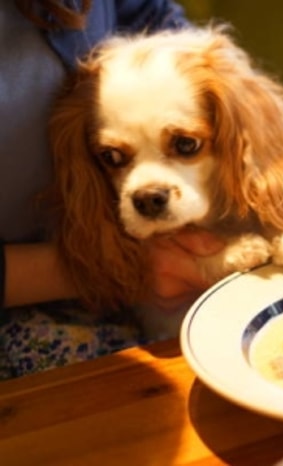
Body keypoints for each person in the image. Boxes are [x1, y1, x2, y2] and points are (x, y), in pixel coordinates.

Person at [0, 0, 225, 379]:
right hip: (45, 292)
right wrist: (122, 270)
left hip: (143, 249)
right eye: (112, 157)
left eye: (184, 145)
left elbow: (152, 18)